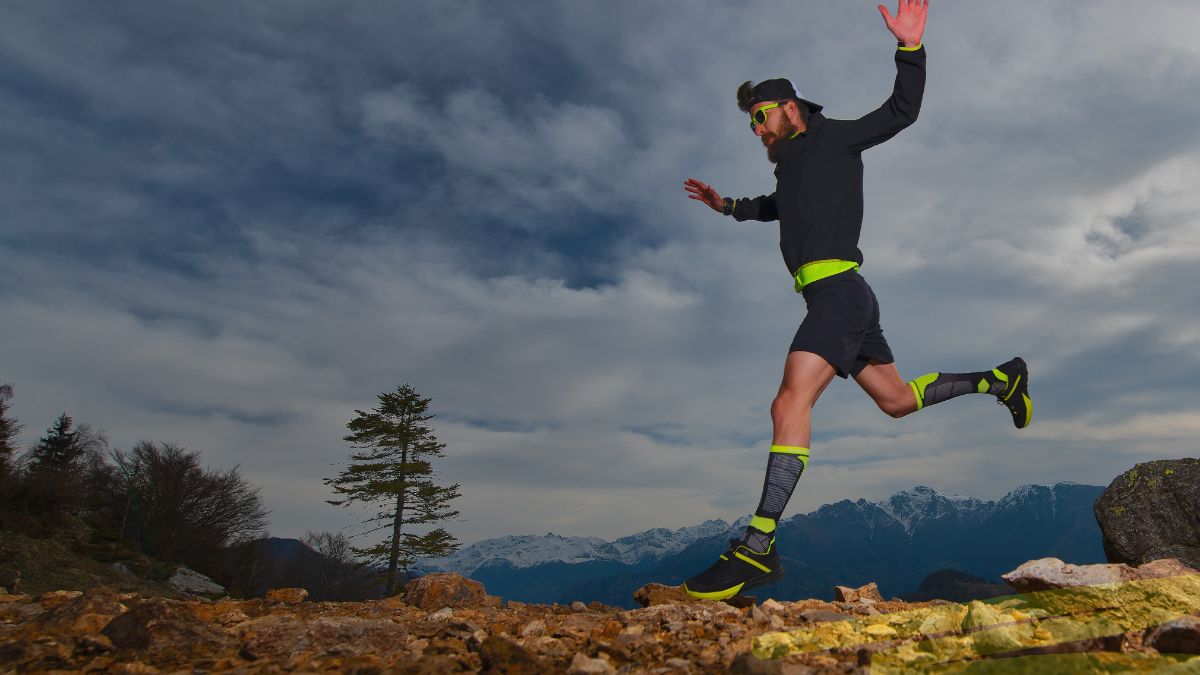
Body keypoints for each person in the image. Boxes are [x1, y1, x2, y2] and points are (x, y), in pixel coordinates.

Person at [680, 0, 1031, 601]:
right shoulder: (789, 168)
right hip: (845, 299)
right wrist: (727, 207)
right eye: (751, 124)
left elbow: (902, 111)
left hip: (839, 296)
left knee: (788, 402)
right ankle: (999, 380)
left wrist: (910, 47)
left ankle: (756, 547)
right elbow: (777, 207)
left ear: (791, 107)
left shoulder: (835, 139)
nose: (757, 128)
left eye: (762, 115)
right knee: (895, 402)